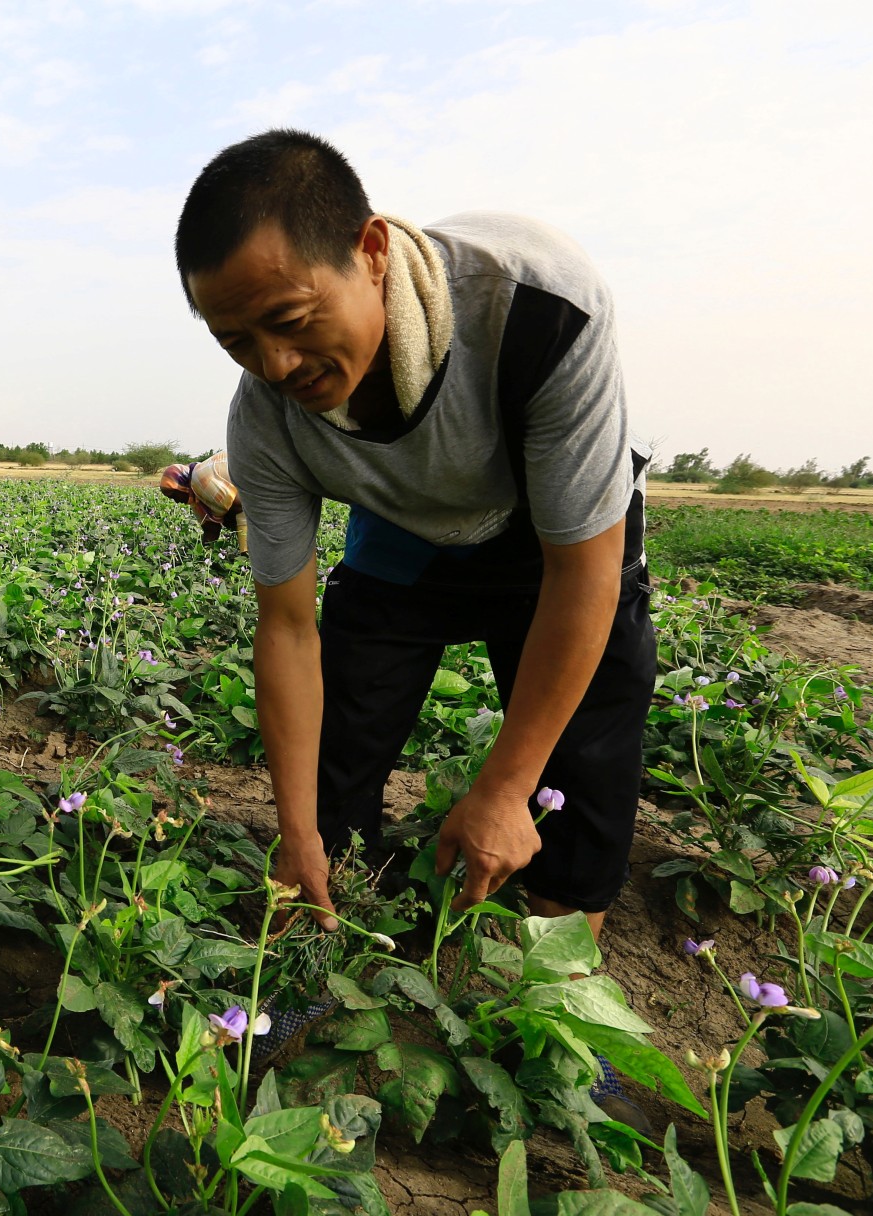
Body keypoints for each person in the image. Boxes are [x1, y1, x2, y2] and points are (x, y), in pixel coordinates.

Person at [178, 132, 652, 1053]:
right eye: (236, 341)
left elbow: (583, 574)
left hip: (551, 530)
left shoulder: (541, 309)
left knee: (581, 769)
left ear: (370, 251)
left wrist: (507, 785)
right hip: (402, 532)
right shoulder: (266, 419)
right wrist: (297, 831)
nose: (275, 365)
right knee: (340, 746)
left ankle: (556, 1025)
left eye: (290, 318)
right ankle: (317, 956)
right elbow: (287, 631)